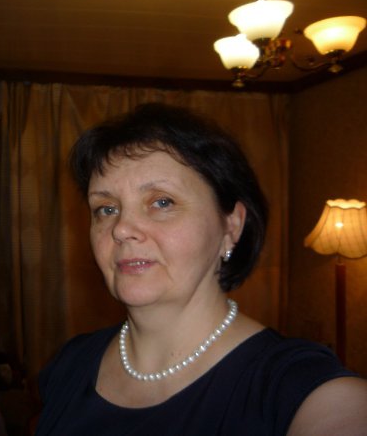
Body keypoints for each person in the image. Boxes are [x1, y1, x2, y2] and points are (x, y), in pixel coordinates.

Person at [34, 103, 367, 435]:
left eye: (162, 202)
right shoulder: (70, 363)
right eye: (106, 209)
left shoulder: (294, 387)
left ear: (231, 225)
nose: (121, 229)